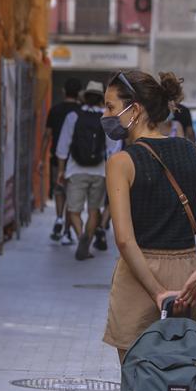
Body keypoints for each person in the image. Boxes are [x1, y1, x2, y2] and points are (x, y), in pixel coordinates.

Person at [102, 70, 196, 362]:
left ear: (134, 109)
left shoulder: (121, 162)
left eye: (111, 107)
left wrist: (157, 293)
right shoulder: (195, 153)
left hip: (139, 275)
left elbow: (124, 239)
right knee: (180, 374)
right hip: (186, 272)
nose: (105, 115)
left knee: (138, 380)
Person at [56, 80, 118, 261]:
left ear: (84, 97)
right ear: (101, 99)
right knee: (94, 210)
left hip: (76, 170)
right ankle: (87, 243)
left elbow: (62, 146)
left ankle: (80, 234)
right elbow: (112, 149)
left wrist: (61, 171)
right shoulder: (106, 119)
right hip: (99, 172)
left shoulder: (73, 116)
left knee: (74, 211)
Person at [47, 78, 82, 244]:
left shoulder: (55, 110)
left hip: (56, 157)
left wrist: (42, 156)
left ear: (63, 91)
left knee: (59, 189)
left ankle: (59, 219)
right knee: (72, 196)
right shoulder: (80, 111)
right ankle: (67, 231)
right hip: (75, 159)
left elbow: (47, 135)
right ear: (80, 93)